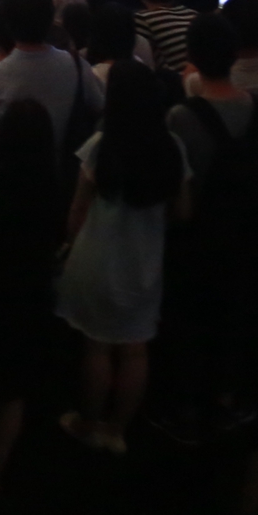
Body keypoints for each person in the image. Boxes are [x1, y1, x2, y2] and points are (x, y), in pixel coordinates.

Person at [56, 63, 187, 453]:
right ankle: (116, 430)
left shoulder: (102, 145)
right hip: (144, 264)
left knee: (95, 346)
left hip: (96, 257)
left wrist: (68, 244)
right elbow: (184, 211)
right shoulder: (172, 147)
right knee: (134, 348)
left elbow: (78, 210)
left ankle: (87, 423)